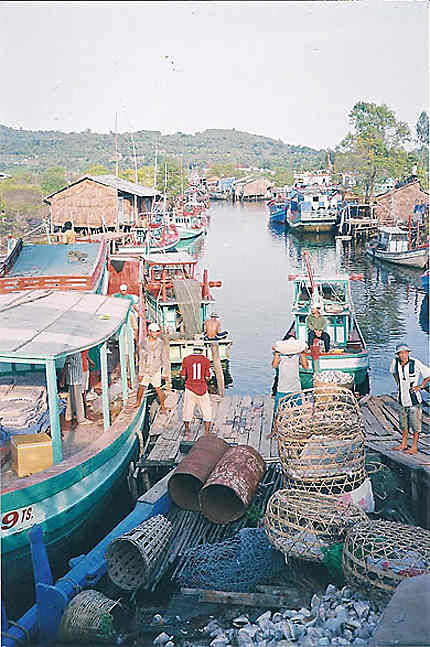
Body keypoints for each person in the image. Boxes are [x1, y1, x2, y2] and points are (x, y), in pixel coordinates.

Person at [389, 343, 430, 454]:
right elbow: (393, 373)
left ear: (408, 353)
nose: (403, 355)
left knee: (416, 424)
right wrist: (399, 383)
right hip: (401, 399)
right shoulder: (395, 362)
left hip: (414, 400)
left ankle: (415, 446)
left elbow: (428, 374)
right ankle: (403, 443)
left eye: (405, 352)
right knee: (403, 424)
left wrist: (421, 386)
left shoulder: (415, 363)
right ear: (397, 354)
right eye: (400, 353)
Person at [135, 323, 171, 411]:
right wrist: (141, 373)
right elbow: (142, 359)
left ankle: (163, 406)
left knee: (158, 388)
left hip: (156, 370)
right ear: (150, 332)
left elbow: (165, 359)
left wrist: (165, 373)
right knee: (141, 387)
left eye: (157, 332)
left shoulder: (161, 343)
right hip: (146, 369)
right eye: (154, 332)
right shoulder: (143, 343)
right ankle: (137, 403)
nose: (156, 334)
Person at [180, 344, 212, 437]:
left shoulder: (186, 359)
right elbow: (207, 377)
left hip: (190, 388)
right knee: (207, 410)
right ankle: (206, 432)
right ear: (202, 350)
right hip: (202, 389)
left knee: (187, 410)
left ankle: (187, 430)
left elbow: (182, 376)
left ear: (193, 349)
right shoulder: (206, 360)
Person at [272, 337, 309, 413]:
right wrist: (276, 353)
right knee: (278, 412)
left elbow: (305, 367)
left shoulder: (298, 355)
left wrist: (303, 354)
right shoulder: (280, 354)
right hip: (282, 389)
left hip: (295, 389)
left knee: (297, 412)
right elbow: (274, 365)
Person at [63, 352, 91, 426]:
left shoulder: (74, 351)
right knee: (78, 399)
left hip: (75, 378)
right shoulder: (74, 352)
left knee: (71, 398)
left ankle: (69, 416)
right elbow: (66, 364)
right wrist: (62, 378)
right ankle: (81, 419)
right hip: (75, 378)